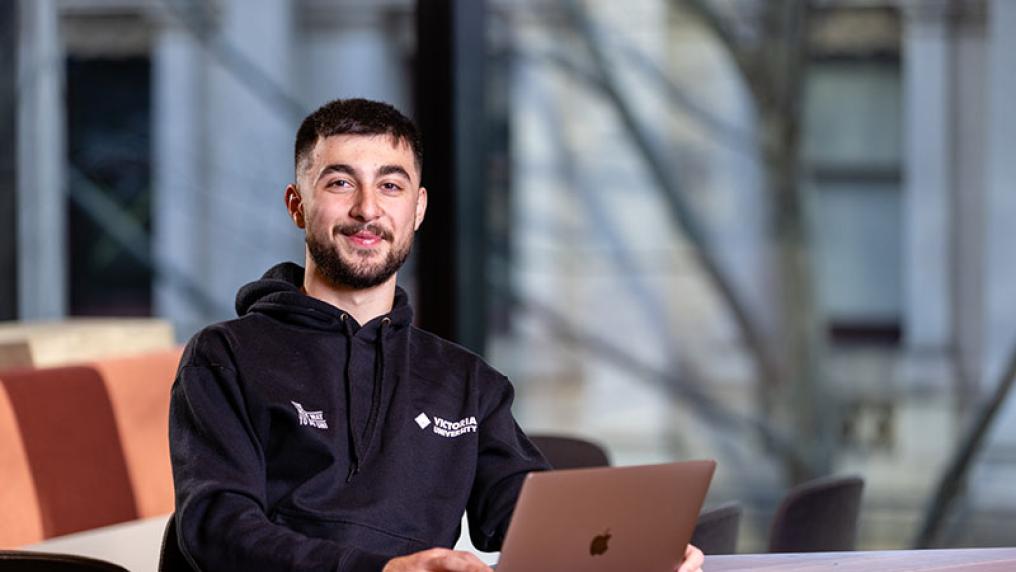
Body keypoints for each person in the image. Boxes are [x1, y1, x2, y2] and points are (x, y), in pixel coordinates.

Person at [169, 98, 705, 572]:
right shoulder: (226, 356)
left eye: (390, 185)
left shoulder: (466, 380)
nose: (367, 209)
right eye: (339, 182)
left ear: (417, 209)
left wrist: (636, 554)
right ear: (297, 205)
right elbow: (217, 529)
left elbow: (526, 519)